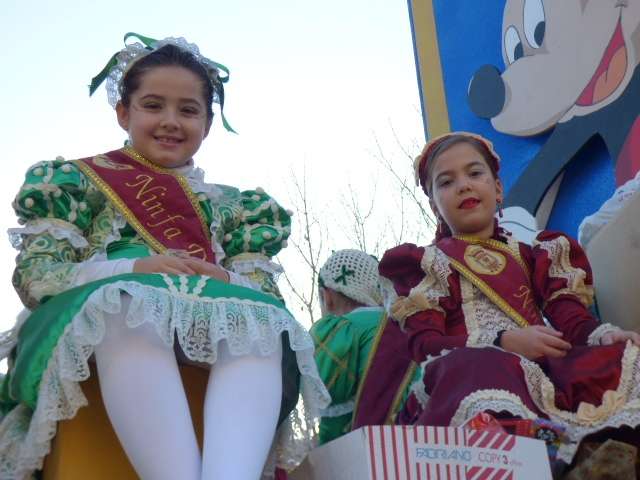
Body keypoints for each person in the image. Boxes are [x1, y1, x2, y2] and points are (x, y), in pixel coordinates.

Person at [0, 33, 329, 480]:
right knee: (127, 308)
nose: (171, 121)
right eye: (153, 105)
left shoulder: (237, 207)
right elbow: (39, 275)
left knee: (260, 327)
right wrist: (132, 269)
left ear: (207, 124)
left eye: (188, 110)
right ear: (124, 112)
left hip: (205, 325)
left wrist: (222, 278)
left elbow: (267, 296)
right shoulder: (78, 182)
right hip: (93, 325)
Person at [378, 131, 640, 465]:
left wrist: (604, 335)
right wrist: (502, 342)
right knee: (475, 367)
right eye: (446, 182)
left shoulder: (537, 253)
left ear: (498, 188)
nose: (464, 186)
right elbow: (424, 345)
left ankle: (588, 449)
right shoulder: (430, 265)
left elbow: (571, 319)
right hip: (475, 372)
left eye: (475, 173)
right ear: (434, 206)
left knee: (621, 356)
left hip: (543, 372)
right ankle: (548, 448)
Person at [311, 249, 417, 445]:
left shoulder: (340, 330)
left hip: (361, 451)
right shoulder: (409, 327)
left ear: (327, 296)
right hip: (417, 447)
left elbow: (326, 399)